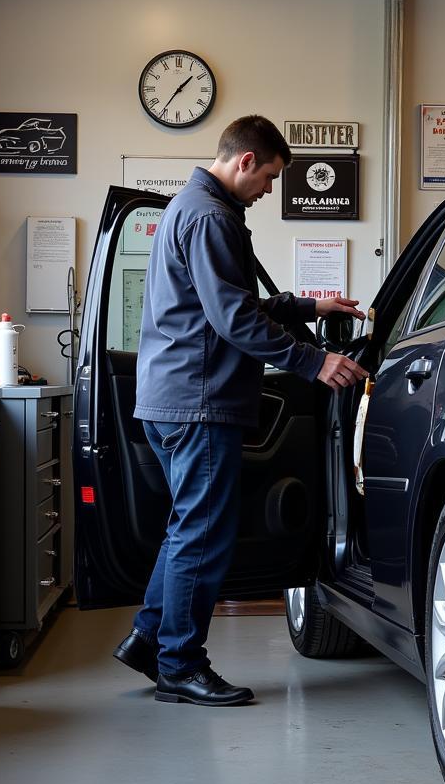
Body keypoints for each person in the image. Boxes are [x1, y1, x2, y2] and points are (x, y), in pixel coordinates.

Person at [113, 115, 368, 706]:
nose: (270, 191)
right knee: (202, 534)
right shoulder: (210, 217)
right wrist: (314, 362)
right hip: (198, 402)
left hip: (175, 397)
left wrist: (309, 304)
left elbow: (229, 301)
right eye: (271, 177)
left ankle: (150, 640)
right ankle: (180, 664)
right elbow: (235, 320)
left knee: (187, 530)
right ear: (246, 161)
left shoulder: (194, 209)